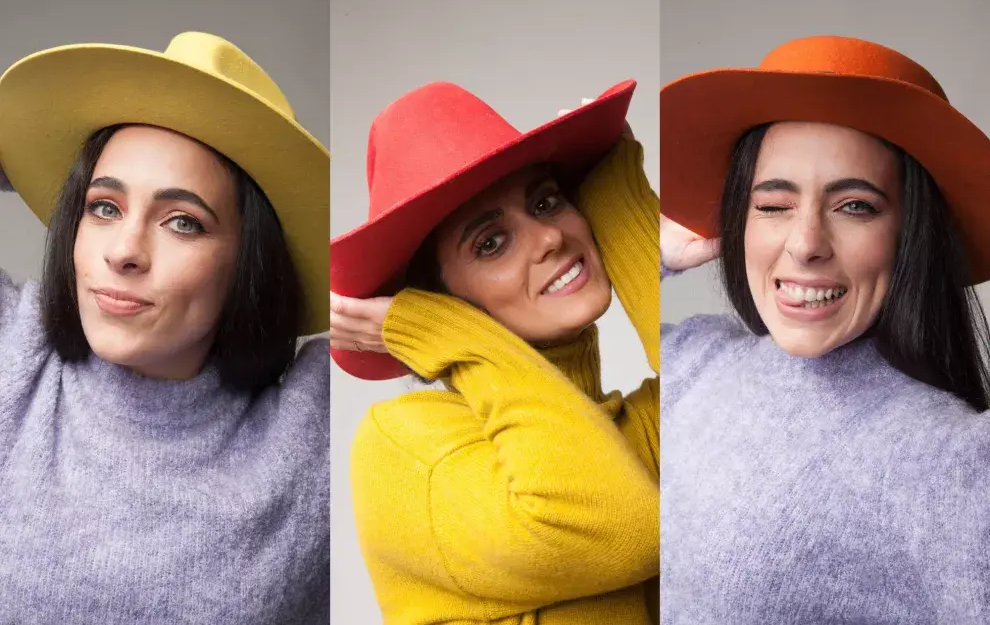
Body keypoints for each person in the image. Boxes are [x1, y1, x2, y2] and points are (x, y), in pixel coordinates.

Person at [658, 35, 990, 623]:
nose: (806, 244)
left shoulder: (953, 461)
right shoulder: (692, 361)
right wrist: (645, 248)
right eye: (772, 204)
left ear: (911, 233)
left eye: (854, 205)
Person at [0, 32, 330, 624]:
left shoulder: (312, 428)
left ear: (249, 261)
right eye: (103, 207)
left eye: (183, 222)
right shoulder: (13, 346)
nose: (124, 251)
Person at [330, 81, 660, 623]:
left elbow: (743, 424)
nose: (549, 238)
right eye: (490, 243)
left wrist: (617, 196)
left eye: (548, 202)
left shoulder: (632, 427)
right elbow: (620, 529)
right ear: (441, 305)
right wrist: (456, 339)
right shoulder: (405, 447)